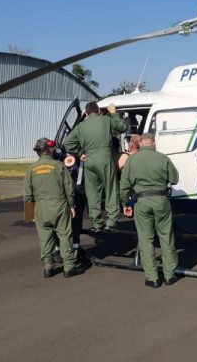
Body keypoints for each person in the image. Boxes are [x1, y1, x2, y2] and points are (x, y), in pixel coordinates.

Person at [120, 133, 180, 288]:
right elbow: (174, 179)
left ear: (140, 144)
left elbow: (124, 185)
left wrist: (125, 203)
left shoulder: (132, 159)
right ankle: (169, 275)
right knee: (166, 236)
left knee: (146, 239)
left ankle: (152, 277)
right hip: (161, 200)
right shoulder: (162, 158)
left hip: (141, 201)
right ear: (153, 143)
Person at [24, 138, 85, 279]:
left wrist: (29, 214)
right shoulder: (59, 166)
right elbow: (69, 188)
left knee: (45, 238)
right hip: (59, 206)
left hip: (40, 208)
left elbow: (28, 194)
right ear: (50, 150)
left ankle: (48, 267)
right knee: (64, 235)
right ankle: (69, 267)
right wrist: (71, 205)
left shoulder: (30, 169)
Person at [63, 101, 127, 232]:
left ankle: (96, 223)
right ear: (98, 111)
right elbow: (122, 127)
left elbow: (67, 142)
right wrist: (114, 114)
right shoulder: (106, 119)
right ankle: (111, 221)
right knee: (111, 188)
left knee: (92, 192)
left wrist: (79, 153)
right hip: (104, 158)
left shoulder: (81, 126)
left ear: (86, 113)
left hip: (89, 160)